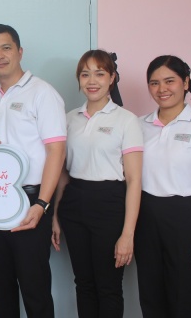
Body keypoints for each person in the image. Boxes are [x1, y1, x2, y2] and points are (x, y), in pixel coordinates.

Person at [0, 24, 66, 318]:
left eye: (6, 48)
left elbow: (56, 151)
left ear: (19, 51)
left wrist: (42, 204)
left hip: (31, 201)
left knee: (35, 289)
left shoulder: (42, 93)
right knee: (0, 289)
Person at [51, 50, 143, 317]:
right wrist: (55, 214)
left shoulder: (126, 120)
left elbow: (134, 180)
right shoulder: (69, 118)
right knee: (83, 283)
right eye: (85, 74)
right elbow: (63, 173)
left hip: (110, 204)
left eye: (100, 74)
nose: (92, 81)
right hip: (74, 203)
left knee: (109, 286)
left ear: (112, 78)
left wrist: (127, 234)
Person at [135, 55, 191, 318]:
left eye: (169, 81)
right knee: (151, 297)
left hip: (186, 217)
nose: (162, 89)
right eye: (154, 83)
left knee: (186, 299)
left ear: (185, 82)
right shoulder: (139, 125)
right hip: (146, 216)